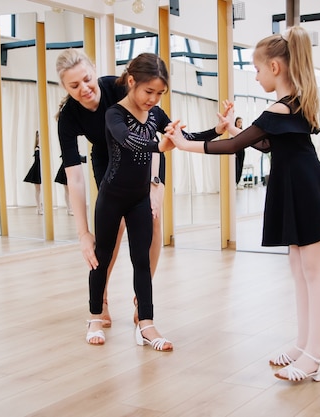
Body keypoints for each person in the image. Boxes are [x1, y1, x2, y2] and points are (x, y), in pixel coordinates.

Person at [166, 26, 320, 380]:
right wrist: (231, 130)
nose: (254, 76)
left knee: (312, 272)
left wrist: (183, 142)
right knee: (300, 270)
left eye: (255, 69)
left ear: (274, 67)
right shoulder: (294, 102)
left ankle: (315, 354)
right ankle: (303, 345)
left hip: (307, 190)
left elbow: (235, 146)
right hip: (299, 187)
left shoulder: (281, 106)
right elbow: (269, 144)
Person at [55, 49, 228, 329]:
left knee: (153, 221)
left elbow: (159, 132)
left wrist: (154, 187)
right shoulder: (69, 117)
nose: (85, 89)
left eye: (87, 79)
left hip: (149, 156)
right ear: (64, 87)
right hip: (108, 158)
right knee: (111, 232)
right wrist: (83, 233)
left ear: (94, 71)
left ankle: (141, 299)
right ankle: (102, 300)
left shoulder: (120, 86)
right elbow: (74, 177)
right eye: (74, 86)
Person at [86, 52, 206, 350]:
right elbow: (127, 139)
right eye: (148, 91)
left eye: (160, 93)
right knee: (101, 257)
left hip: (140, 198)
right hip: (111, 197)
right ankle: (94, 317)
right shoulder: (114, 113)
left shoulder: (156, 114)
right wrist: (158, 145)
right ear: (131, 82)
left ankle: (146, 325)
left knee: (142, 259)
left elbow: (183, 137)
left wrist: (219, 130)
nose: (153, 99)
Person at [23, 130, 43, 214]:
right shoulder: (37, 148)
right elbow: (37, 161)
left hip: (41, 169)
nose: (39, 138)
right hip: (36, 170)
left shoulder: (42, 147)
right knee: (38, 189)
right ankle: (38, 207)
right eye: (38, 136)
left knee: (40, 189)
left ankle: (40, 206)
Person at [234, 117, 246, 187]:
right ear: (235, 122)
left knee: (240, 167)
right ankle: (235, 182)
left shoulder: (242, 132)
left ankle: (237, 182)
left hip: (242, 150)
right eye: (238, 122)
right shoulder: (233, 130)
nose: (239, 124)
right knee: (236, 167)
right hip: (236, 151)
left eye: (241, 122)